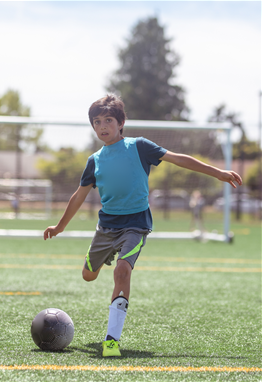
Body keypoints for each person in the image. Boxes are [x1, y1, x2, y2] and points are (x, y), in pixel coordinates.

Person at [43, 94, 242, 357]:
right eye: (97, 121)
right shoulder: (94, 160)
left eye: (108, 120)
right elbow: (78, 196)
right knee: (88, 275)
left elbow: (179, 158)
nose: (102, 126)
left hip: (136, 225)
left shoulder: (139, 147)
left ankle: (111, 340)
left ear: (121, 122)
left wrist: (217, 172)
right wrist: (59, 226)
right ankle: (108, 254)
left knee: (122, 272)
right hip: (106, 228)